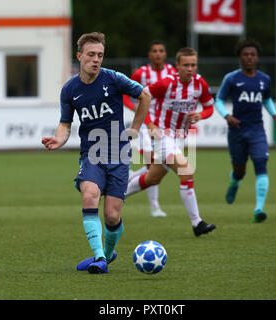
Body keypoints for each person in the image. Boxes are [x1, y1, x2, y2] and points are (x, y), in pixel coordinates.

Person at [41, 32, 150, 274]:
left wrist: (135, 129)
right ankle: (100, 257)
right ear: (79, 56)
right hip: (92, 153)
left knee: (112, 216)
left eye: (100, 55)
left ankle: (107, 255)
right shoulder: (70, 90)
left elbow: (145, 95)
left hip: (119, 155)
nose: (96, 59)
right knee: (89, 195)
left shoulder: (113, 79)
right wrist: (59, 139)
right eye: (91, 54)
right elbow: (66, 123)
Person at [126, 47, 216, 237]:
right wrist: (149, 124)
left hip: (179, 138)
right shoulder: (166, 84)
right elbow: (143, 96)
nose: (190, 69)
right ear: (177, 66)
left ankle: (116, 195)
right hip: (162, 136)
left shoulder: (200, 84)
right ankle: (197, 223)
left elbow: (209, 107)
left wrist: (201, 114)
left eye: (193, 65)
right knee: (186, 171)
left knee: (152, 178)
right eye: (186, 65)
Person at [215, 39, 276, 223]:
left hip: (257, 129)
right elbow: (219, 100)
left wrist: (275, 115)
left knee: (261, 163)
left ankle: (259, 209)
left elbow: (267, 99)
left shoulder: (264, 79)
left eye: (252, 54)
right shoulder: (231, 78)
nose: (249, 58)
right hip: (237, 130)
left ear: (257, 57)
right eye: (245, 55)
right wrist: (227, 116)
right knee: (240, 170)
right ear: (240, 57)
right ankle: (234, 182)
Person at [123, 40, 177, 218]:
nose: (158, 54)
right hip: (147, 125)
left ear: (165, 54)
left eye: (161, 51)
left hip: (165, 127)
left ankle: (129, 177)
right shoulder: (141, 73)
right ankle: (154, 207)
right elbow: (125, 93)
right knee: (151, 164)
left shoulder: (172, 72)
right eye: (155, 51)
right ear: (150, 54)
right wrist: (135, 109)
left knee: (156, 166)